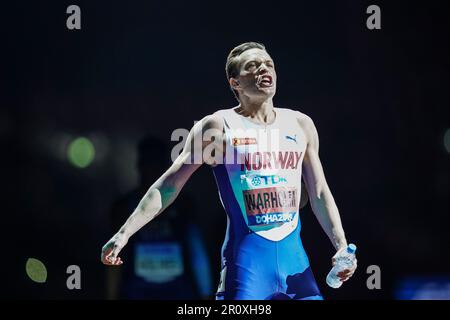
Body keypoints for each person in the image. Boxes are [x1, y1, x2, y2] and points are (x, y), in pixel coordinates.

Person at [101, 42, 357, 300]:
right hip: (247, 267)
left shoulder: (300, 124)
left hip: (296, 266)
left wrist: (341, 246)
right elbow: (168, 186)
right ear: (235, 83)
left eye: (268, 64)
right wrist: (123, 234)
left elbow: (320, 192)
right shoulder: (218, 126)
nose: (263, 69)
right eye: (252, 66)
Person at [106, 136, 212, 299]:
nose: (152, 170)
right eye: (148, 163)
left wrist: (205, 293)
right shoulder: (123, 208)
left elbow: (197, 251)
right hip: (137, 293)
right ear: (139, 166)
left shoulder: (184, 205)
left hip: (178, 293)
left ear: (166, 166)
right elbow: (113, 262)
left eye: (157, 164)